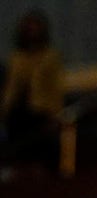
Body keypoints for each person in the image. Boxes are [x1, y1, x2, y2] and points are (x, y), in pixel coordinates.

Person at [0, 9, 63, 173]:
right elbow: (11, 88)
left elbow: (55, 88)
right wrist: (4, 112)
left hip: (41, 110)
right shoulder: (17, 58)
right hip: (18, 112)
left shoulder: (50, 56)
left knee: (45, 149)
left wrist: (54, 114)